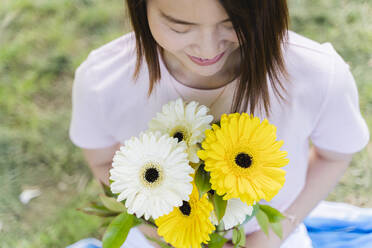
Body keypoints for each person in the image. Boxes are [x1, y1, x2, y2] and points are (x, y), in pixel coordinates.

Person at [68, 0, 370, 247]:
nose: (208, 49)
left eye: (231, 24)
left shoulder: (317, 75)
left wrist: (269, 236)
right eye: (180, 26)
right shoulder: (102, 81)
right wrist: (163, 235)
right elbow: (104, 162)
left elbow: (336, 155)